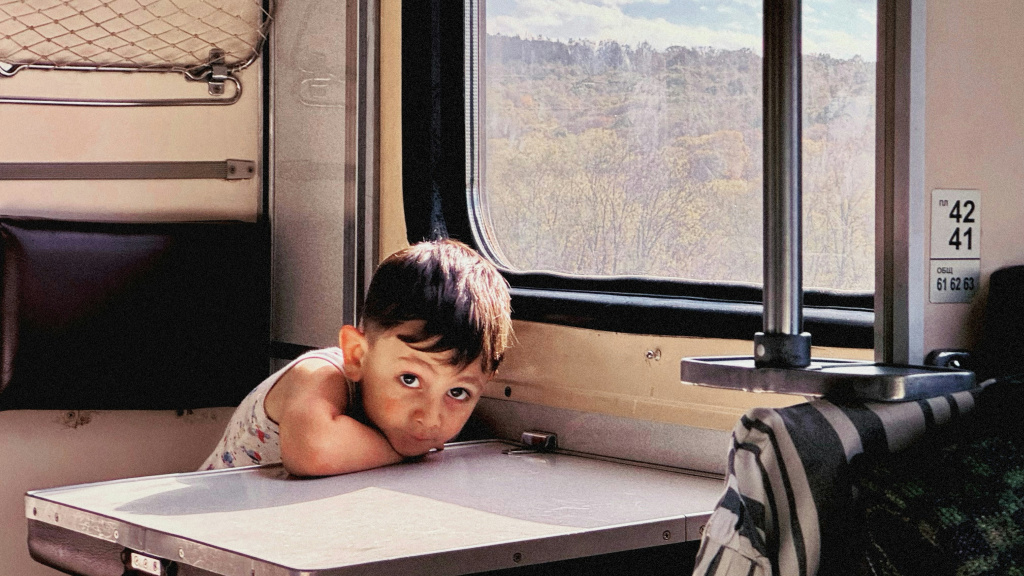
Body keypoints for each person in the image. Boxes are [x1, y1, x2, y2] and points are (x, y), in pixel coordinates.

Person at [200, 239, 513, 476]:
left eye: (458, 393)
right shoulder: (318, 375)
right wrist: (409, 453)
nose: (430, 419)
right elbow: (313, 452)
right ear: (357, 355)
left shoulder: (402, 419)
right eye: (409, 379)